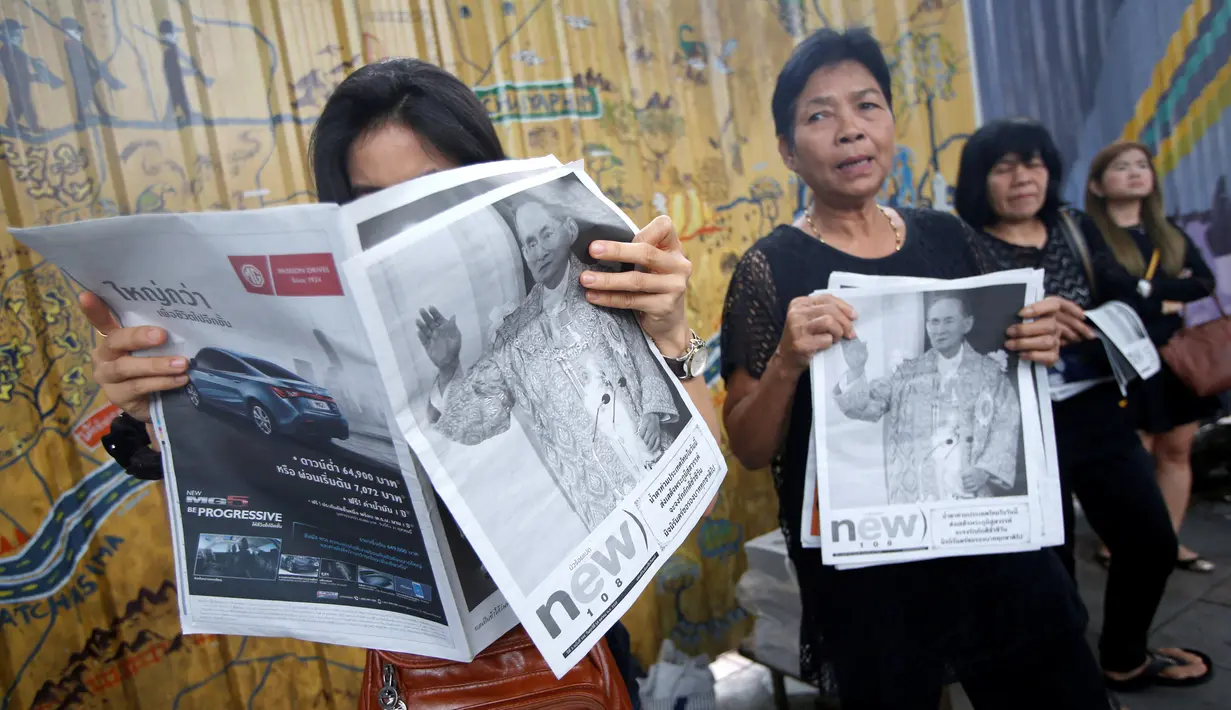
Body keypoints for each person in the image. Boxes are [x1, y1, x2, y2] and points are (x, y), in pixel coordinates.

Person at [86, 57, 720, 708]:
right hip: (417, 681)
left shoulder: (575, 291)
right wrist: (159, 412)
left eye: (432, 193)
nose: (406, 225)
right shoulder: (341, 329)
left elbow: (691, 500)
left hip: (564, 665)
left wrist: (671, 337)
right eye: (374, 205)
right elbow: (302, 475)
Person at [721, 28, 1116, 709]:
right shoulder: (770, 269)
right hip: (874, 570)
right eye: (819, 115)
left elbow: (1008, 366)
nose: (850, 131)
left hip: (991, 540)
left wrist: (1034, 340)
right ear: (788, 150)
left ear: (890, 123)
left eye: (866, 106)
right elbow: (752, 448)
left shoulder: (946, 236)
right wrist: (788, 359)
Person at [955, 118, 1212, 693]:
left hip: (1093, 408)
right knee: (1051, 569)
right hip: (1015, 421)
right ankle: (1073, 691)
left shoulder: (1071, 227)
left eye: (1035, 163)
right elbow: (952, 335)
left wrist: (1085, 325)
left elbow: (1125, 304)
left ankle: (1123, 655)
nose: (1023, 178)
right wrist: (1021, 328)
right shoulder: (959, 244)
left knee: (1150, 541)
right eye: (1004, 167)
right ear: (979, 180)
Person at [420, 199, 682, 532]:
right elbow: (482, 416)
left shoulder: (608, 285)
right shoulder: (512, 333)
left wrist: (652, 411)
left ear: (569, 230)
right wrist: (447, 368)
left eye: (546, 234)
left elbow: (640, 355)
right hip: (600, 505)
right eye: (529, 243)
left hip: (656, 464)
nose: (539, 250)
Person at [1085, 141, 1222, 574]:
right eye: (1121, 167)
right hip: (1121, 360)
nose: (1134, 173)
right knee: (1131, 455)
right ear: (1097, 184)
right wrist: (1161, 296)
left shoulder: (1168, 233)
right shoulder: (1088, 237)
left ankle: (1169, 540)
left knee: (1177, 450)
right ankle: (1122, 541)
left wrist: (1149, 291)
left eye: (1142, 166)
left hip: (1174, 360)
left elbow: (1201, 284)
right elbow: (1106, 295)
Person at [835, 292, 1021, 503]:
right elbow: (865, 407)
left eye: (948, 321)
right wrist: (857, 369)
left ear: (967, 324)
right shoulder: (908, 373)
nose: (939, 330)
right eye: (934, 322)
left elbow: (1006, 422)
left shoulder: (989, 373)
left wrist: (985, 469)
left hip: (968, 491)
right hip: (918, 491)